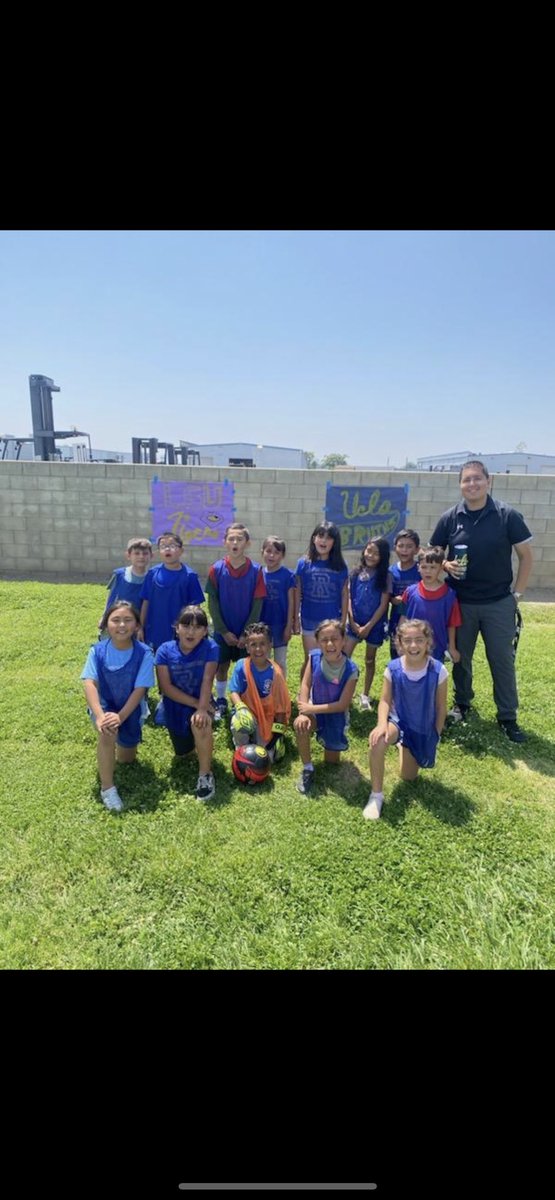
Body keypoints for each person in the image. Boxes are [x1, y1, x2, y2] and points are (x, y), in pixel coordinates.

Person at [429, 460, 533, 741]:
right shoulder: (450, 517)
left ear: (489, 481)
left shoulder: (506, 515)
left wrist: (517, 595)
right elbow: (433, 553)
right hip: (460, 602)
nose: (472, 484)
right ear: (460, 484)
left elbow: (526, 556)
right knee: (460, 658)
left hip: (499, 602)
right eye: (466, 480)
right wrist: (446, 564)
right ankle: (462, 704)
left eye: (477, 479)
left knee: (501, 660)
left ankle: (508, 717)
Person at [365, 618, 448, 820]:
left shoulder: (438, 670)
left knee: (408, 777)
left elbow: (440, 706)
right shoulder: (393, 668)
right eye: (408, 640)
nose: (413, 645)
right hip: (397, 720)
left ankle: (404, 746)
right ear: (399, 644)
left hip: (421, 725)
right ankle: (376, 796)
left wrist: (435, 735)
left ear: (428, 642)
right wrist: (381, 724)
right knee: (377, 742)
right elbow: (384, 701)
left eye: (419, 640)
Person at [81, 601, 155, 812]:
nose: (121, 625)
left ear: (137, 626)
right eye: (115, 620)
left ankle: (118, 748)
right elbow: (89, 683)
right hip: (103, 707)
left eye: (127, 620)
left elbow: (140, 690)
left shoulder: (145, 653)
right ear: (106, 625)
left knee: (126, 759)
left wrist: (121, 716)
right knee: (107, 732)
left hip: (129, 710)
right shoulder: (97, 651)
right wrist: (101, 716)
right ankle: (107, 788)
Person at [154, 605, 219, 802]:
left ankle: (205, 775)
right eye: (186, 626)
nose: (191, 632)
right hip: (175, 705)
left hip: (201, 700)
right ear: (177, 628)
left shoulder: (211, 647)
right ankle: (194, 740)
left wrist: (201, 708)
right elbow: (166, 688)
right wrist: (196, 704)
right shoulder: (164, 651)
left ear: (205, 631)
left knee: (200, 722)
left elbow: (208, 679)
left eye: (198, 627)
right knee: (183, 754)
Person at [206, 522, 267, 720]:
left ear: (247, 544)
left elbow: (257, 603)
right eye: (231, 538)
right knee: (221, 666)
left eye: (239, 539)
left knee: (246, 667)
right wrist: (223, 631)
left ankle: (243, 701)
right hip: (223, 630)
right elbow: (213, 602)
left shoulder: (256, 571)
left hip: (245, 633)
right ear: (225, 542)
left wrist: (246, 634)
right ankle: (221, 699)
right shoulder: (216, 569)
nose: (235, 542)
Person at [294, 618, 358, 795]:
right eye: (324, 639)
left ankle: (330, 746)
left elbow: (342, 705)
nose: (330, 643)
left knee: (332, 763)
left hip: (335, 715)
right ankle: (307, 768)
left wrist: (311, 709)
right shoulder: (314, 658)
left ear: (344, 640)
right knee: (300, 725)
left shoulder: (351, 669)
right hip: (313, 710)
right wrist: (303, 710)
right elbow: (305, 685)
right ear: (317, 642)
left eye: (335, 638)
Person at [228, 622, 291, 763]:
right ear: (247, 647)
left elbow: (281, 709)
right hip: (247, 715)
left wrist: (276, 737)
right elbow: (233, 691)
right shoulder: (241, 666)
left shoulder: (276, 673)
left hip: (267, 719)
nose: (258, 649)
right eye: (253, 644)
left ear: (270, 645)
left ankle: (263, 742)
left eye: (262, 644)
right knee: (239, 722)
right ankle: (241, 748)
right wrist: (241, 707)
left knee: (267, 758)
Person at [295, 521, 349, 682]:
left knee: (329, 660)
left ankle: (327, 693)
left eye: (328, 538)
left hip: (331, 621)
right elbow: (297, 592)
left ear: (335, 542)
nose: (323, 541)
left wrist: (343, 621)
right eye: (320, 536)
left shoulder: (340, 566)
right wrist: (295, 619)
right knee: (311, 659)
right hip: (309, 619)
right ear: (313, 539)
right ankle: (305, 693)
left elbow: (344, 594)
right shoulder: (303, 563)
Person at [344, 537, 393, 708]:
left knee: (370, 660)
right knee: (344, 657)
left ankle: (365, 694)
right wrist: (352, 620)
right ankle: (344, 692)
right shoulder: (355, 573)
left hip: (374, 625)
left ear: (383, 556)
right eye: (368, 550)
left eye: (376, 553)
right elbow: (349, 597)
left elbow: (383, 604)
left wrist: (368, 626)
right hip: (354, 623)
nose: (371, 555)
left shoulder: (386, 576)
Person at [139, 532, 205, 651]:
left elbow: (195, 609)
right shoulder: (152, 574)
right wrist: (140, 627)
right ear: (159, 551)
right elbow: (145, 602)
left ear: (181, 551)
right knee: (158, 663)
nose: (167, 549)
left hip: (181, 632)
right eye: (163, 546)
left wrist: (192, 630)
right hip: (155, 630)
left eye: (172, 546)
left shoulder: (190, 576)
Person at [401, 547, 462, 664]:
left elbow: (452, 624)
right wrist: (401, 641)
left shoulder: (449, 595)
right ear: (418, 567)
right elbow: (403, 618)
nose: (428, 571)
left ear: (441, 568)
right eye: (424, 567)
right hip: (412, 648)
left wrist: (452, 647)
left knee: (433, 680)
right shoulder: (410, 592)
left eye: (433, 567)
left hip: (437, 649)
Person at [99, 536, 153, 635]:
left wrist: (141, 625)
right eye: (136, 553)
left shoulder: (152, 578)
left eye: (145, 553)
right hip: (120, 621)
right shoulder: (119, 574)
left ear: (151, 556)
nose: (141, 557)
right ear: (128, 555)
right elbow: (111, 598)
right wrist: (104, 616)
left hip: (139, 624)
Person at [259, 535, 296, 678]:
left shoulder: (287, 575)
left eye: (276, 552)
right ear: (262, 552)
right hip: (263, 626)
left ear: (283, 555)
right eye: (268, 551)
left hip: (281, 626)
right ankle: (264, 690)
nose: (272, 555)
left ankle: (280, 692)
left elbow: (291, 602)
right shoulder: (258, 574)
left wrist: (289, 626)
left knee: (280, 662)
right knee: (263, 659)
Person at [388, 528, 421, 657]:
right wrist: (394, 599)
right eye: (401, 546)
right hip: (396, 620)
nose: (404, 550)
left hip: (417, 620)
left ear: (417, 549)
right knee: (397, 652)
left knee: (415, 653)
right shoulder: (391, 571)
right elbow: (388, 596)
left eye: (409, 546)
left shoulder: (421, 570)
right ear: (395, 547)